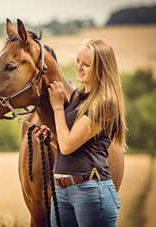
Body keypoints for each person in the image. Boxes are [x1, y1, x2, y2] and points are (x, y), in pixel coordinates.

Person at [33, 39, 127, 227]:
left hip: (90, 191)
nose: (79, 68)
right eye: (77, 61)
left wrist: (58, 107)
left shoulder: (104, 104)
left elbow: (67, 146)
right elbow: (70, 140)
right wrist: (50, 137)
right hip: (62, 191)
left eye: (86, 64)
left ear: (101, 68)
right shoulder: (78, 96)